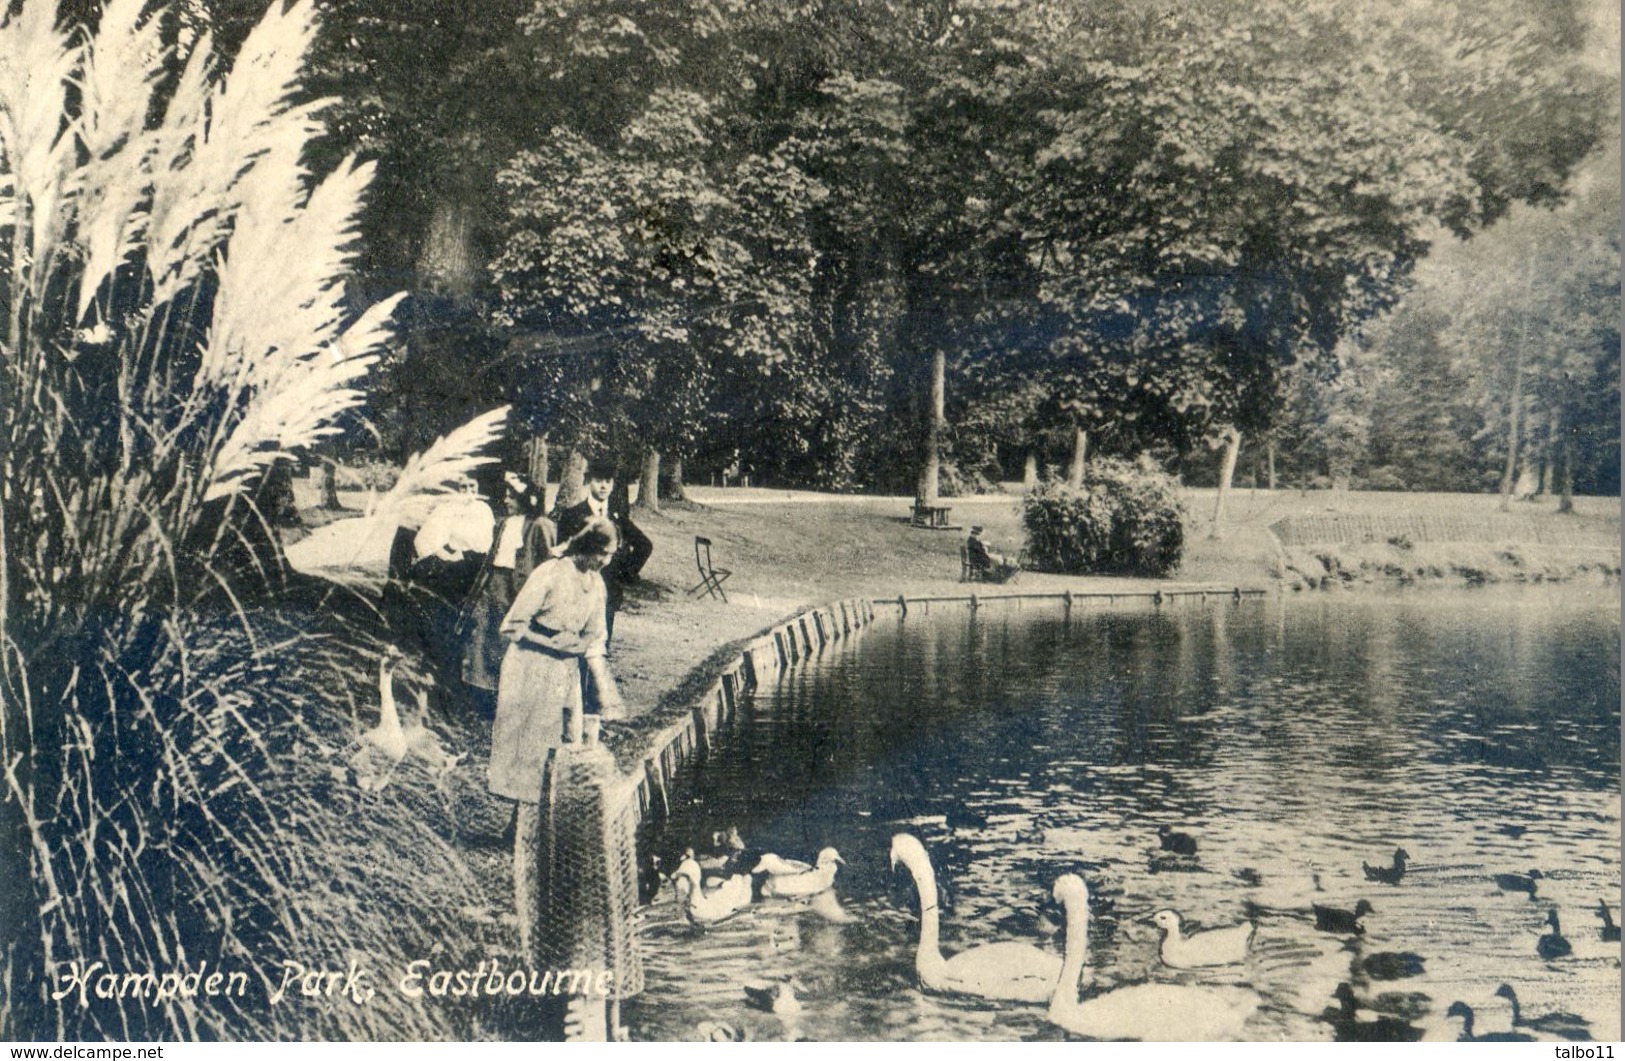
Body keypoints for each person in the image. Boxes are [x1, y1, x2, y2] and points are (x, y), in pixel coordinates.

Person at [490, 519, 625, 954]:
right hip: (530, 662)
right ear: (585, 547)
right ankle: (515, 824)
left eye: (608, 557)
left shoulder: (595, 585)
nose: (602, 562)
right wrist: (551, 644)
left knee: (561, 744)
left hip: (564, 671)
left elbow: (594, 640)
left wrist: (607, 692)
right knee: (526, 741)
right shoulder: (551, 573)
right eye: (598, 553)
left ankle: (542, 827)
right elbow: (511, 627)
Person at [459, 472, 557, 700]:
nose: (506, 501)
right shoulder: (503, 523)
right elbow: (492, 557)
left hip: (519, 591)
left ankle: (513, 693)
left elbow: (547, 563)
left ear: (524, 499)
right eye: (506, 496)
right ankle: (484, 691)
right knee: (484, 636)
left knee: (511, 641)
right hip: (494, 586)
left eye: (512, 497)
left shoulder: (540, 525)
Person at [552, 458, 652, 639]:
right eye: (598, 481)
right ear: (589, 482)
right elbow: (563, 555)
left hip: (608, 590)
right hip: (578, 590)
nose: (603, 486)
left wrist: (624, 574)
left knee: (601, 642)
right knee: (574, 643)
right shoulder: (572, 515)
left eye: (608, 481)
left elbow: (644, 545)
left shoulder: (617, 517)